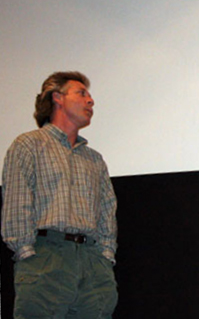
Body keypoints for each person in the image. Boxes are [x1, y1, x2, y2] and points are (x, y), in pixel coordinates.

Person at [2, 72, 118, 318]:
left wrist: (105, 255)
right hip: (46, 256)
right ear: (58, 98)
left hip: (91, 262)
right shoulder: (29, 145)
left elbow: (108, 209)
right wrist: (27, 253)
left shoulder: (94, 159)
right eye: (82, 93)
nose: (91, 101)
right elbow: (16, 203)